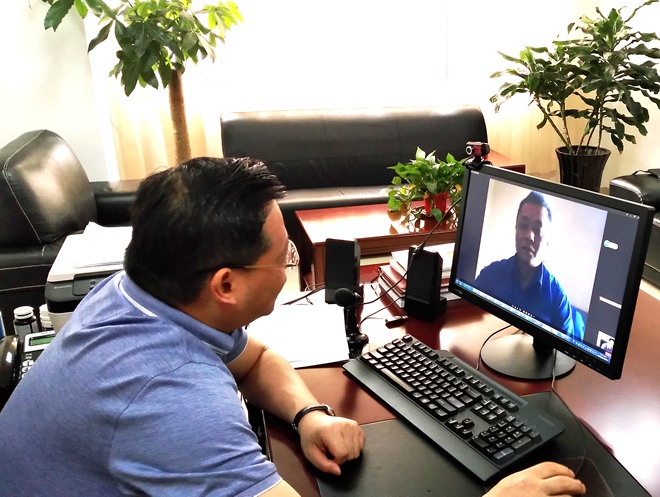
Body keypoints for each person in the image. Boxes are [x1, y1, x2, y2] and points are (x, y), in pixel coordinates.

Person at [0, 158, 585, 497]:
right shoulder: (174, 403)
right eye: (283, 258)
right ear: (225, 285)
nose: (290, 267)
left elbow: (255, 361)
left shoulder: (136, 292)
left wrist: (309, 416)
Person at [474, 191, 584, 341]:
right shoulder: (490, 274)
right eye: (524, 225)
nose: (529, 236)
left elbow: (566, 350)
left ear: (548, 240)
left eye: (538, 230)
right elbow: (467, 316)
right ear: (516, 229)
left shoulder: (557, 298)